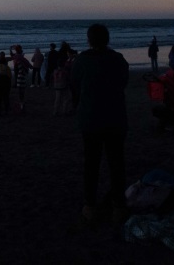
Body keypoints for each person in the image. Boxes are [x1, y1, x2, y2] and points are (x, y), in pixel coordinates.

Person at [71, 24, 129, 226]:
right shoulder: (118, 59)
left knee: (91, 163)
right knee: (116, 163)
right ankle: (119, 207)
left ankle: (90, 207)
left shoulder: (82, 61)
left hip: (91, 119)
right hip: (115, 118)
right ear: (107, 38)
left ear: (89, 39)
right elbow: (123, 82)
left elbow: (75, 86)